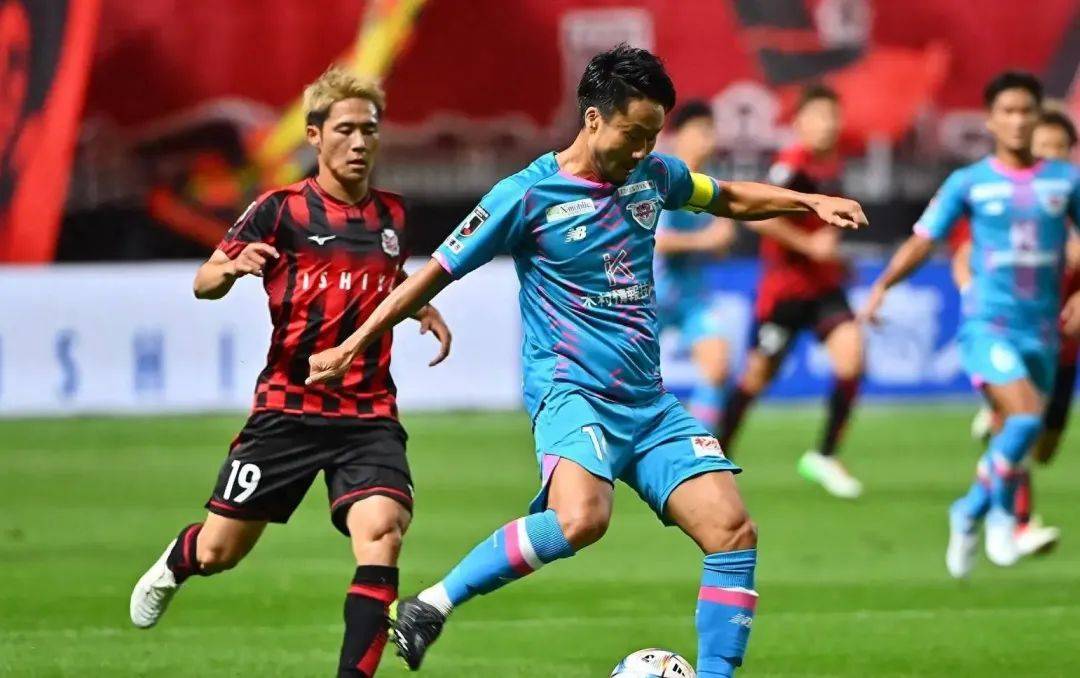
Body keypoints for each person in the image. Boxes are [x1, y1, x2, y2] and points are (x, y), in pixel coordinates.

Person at [307, 45, 867, 676]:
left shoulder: (654, 175)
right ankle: (431, 604)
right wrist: (352, 344)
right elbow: (431, 275)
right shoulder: (525, 195)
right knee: (581, 518)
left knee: (732, 531)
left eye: (652, 136)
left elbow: (729, 198)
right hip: (571, 391)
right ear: (594, 118)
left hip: (647, 403)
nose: (642, 150)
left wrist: (808, 203)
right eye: (633, 134)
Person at [128, 67, 453, 678]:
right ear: (314, 135)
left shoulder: (392, 215)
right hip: (287, 409)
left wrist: (418, 304)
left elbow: (385, 277)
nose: (359, 143)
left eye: (369, 130)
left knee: (382, 532)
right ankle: (179, 560)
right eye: (346, 130)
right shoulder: (280, 209)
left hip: (367, 413)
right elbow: (203, 281)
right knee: (221, 551)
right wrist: (229, 269)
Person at [861, 72, 1080, 578]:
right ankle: (1002, 520)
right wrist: (883, 285)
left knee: (1021, 433)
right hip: (988, 326)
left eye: (1026, 111)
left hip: (1042, 333)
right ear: (991, 120)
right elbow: (925, 239)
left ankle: (969, 511)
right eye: (1008, 111)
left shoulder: (1064, 182)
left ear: (1037, 117)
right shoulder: (969, 183)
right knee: (1024, 419)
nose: (1018, 121)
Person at [718, 85, 864, 499]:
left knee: (852, 357)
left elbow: (820, 228)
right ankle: (715, 457)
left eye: (832, 116)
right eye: (818, 116)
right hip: (785, 293)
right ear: (799, 123)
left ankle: (825, 455)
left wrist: (834, 259)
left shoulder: (832, 164)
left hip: (824, 288)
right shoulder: (792, 165)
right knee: (756, 377)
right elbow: (760, 218)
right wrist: (809, 246)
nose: (827, 125)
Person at [950, 109, 1079, 557]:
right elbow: (964, 254)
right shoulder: (1002, 201)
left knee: (1043, 447)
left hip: (1059, 346)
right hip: (1006, 334)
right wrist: (971, 294)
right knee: (1021, 422)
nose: (1051, 157)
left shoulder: (1069, 201)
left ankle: (987, 484)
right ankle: (1016, 523)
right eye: (1044, 148)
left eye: (1060, 149)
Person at [654, 100, 738, 428]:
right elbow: (654, 241)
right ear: (679, 135)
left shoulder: (708, 185)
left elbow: (718, 247)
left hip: (691, 295)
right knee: (625, 382)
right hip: (648, 295)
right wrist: (707, 240)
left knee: (717, 367)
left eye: (711, 132)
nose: (709, 139)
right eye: (702, 131)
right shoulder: (661, 178)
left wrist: (722, 241)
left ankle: (699, 446)